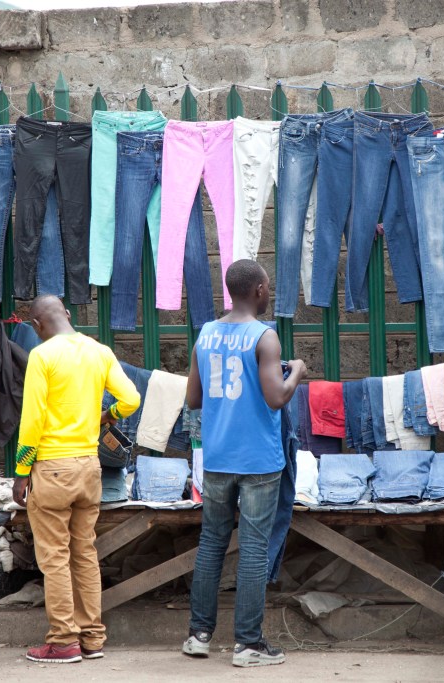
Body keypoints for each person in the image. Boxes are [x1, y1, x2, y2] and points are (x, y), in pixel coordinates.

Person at [182, 259, 306, 668]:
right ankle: (249, 644)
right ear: (258, 291)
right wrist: (297, 372)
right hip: (258, 461)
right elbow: (277, 397)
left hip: (217, 457)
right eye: (268, 287)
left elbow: (194, 398)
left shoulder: (206, 334)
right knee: (253, 549)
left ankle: (198, 636)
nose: (269, 292)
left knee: (211, 543)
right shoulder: (264, 337)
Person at [11, 295, 140, 664]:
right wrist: (107, 416)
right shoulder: (99, 351)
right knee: (84, 553)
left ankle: (63, 641)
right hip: (89, 468)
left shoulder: (42, 356)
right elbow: (131, 398)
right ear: (68, 315)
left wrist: (21, 473)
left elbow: (32, 421)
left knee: (54, 557)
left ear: (36, 326)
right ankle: (92, 638)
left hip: (53, 469)